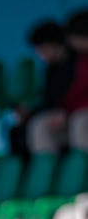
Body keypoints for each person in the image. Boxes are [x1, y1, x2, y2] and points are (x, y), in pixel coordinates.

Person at [23, 8, 88, 154]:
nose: (73, 42)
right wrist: (63, 111)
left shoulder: (76, 60)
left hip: (80, 116)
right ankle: (49, 173)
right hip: (71, 114)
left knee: (81, 121)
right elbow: (75, 93)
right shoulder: (81, 61)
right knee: (40, 125)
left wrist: (68, 111)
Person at [15, 21, 73, 157]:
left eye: (42, 49)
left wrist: (66, 111)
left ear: (55, 44)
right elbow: (49, 102)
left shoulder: (77, 64)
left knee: (40, 126)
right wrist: (30, 112)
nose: (41, 55)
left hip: (73, 115)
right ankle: (43, 171)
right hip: (57, 119)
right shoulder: (51, 70)